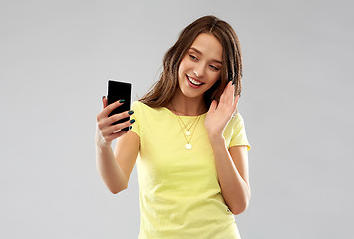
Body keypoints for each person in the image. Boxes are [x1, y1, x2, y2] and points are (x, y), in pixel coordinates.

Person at [95, 15, 251, 239]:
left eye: (213, 66)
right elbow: (116, 184)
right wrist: (102, 144)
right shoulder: (140, 114)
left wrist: (217, 138)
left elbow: (239, 204)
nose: (199, 71)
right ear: (179, 54)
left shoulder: (231, 122)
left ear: (222, 75)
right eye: (193, 56)